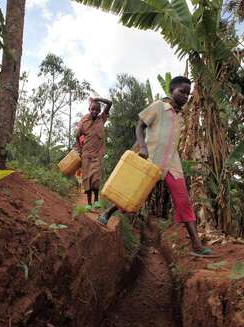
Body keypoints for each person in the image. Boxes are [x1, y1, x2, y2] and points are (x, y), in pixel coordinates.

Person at [97, 76, 215, 257]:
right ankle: (107, 212)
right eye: (181, 92)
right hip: (151, 158)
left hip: (172, 163)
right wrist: (142, 146)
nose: (185, 96)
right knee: (136, 193)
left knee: (183, 201)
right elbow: (140, 126)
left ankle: (197, 246)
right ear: (172, 91)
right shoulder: (159, 107)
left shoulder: (181, 117)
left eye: (187, 94)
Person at [76, 97, 112, 211]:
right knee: (86, 178)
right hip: (86, 153)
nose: (95, 112)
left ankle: (96, 200)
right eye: (92, 109)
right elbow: (77, 136)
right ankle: (88, 203)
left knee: (95, 177)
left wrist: (96, 99)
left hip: (97, 154)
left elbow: (110, 103)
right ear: (89, 109)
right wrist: (80, 149)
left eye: (97, 110)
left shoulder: (102, 119)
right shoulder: (84, 121)